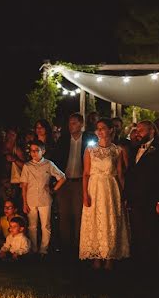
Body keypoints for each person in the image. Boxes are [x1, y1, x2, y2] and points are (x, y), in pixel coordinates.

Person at [125, 120, 159, 271]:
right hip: (136, 200)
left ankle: (152, 269)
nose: (138, 133)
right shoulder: (135, 149)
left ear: (152, 131)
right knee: (138, 234)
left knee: (151, 235)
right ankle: (139, 266)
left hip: (152, 200)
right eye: (137, 130)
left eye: (142, 130)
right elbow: (131, 175)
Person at [80, 118, 129, 269]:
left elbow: (120, 174)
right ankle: (96, 256)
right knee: (95, 220)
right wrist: (84, 194)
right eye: (98, 128)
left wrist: (124, 194)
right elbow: (86, 174)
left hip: (110, 188)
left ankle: (109, 256)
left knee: (110, 221)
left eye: (103, 128)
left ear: (110, 130)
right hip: (94, 188)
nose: (99, 131)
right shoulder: (90, 150)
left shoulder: (117, 150)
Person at [52, 113, 94, 257]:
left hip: (79, 182)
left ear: (81, 124)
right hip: (64, 181)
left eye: (74, 123)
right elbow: (56, 159)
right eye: (70, 123)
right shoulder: (63, 140)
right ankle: (65, 246)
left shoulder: (89, 139)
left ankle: (78, 244)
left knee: (78, 214)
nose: (71, 126)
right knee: (64, 214)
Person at [20, 141, 66, 256]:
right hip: (31, 199)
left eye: (37, 150)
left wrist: (53, 189)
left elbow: (62, 177)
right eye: (32, 151)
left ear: (43, 151)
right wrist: (24, 202)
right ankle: (33, 249)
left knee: (45, 225)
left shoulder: (48, 164)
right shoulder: (27, 166)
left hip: (45, 199)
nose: (34, 153)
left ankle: (43, 250)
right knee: (32, 226)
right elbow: (24, 185)